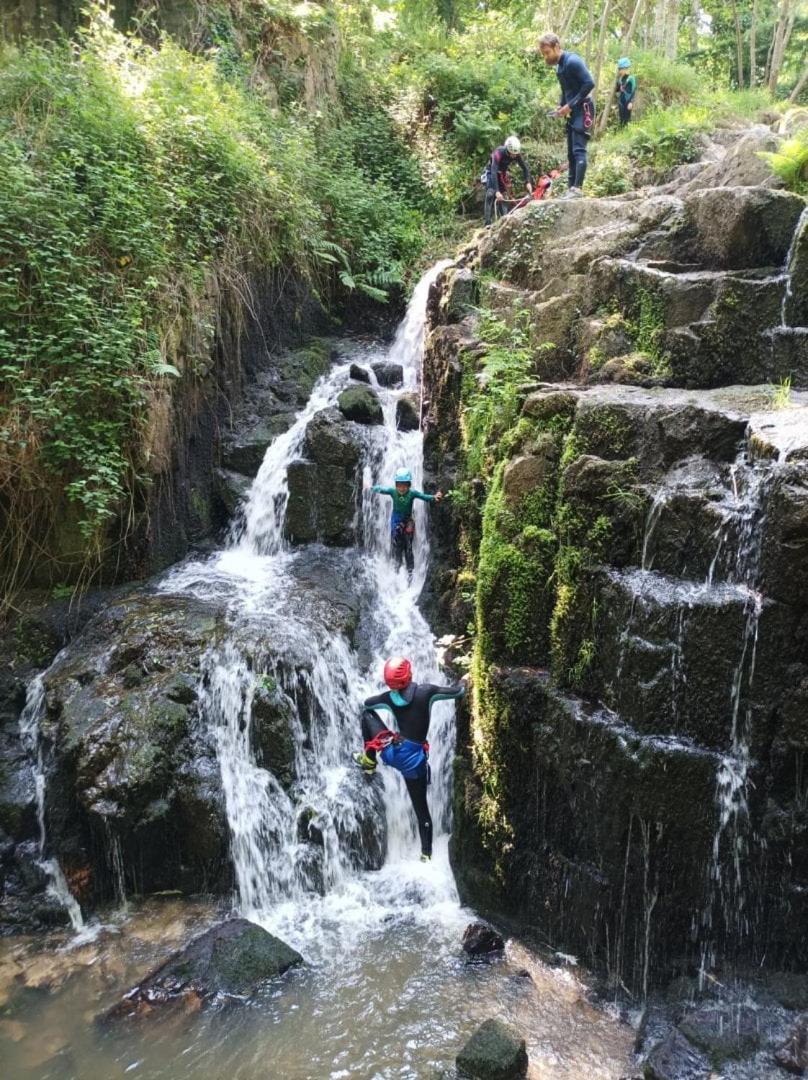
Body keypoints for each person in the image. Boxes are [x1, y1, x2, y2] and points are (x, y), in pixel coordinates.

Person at [352, 657, 467, 862]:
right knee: (421, 808)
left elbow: (367, 704)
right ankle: (426, 854)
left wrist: (387, 698)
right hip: (415, 764)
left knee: (367, 716)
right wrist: (465, 679)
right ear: (409, 675)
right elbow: (458, 691)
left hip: (393, 753)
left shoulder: (388, 698)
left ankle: (369, 762)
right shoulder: (427, 692)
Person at [538, 32, 595, 199]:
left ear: (557, 47)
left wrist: (569, 106)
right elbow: (566, 90)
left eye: (547, 53)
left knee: (579, 150)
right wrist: (561, 106)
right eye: (543, 54)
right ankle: (570, 190)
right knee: (570, 153)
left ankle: (577, 189)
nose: (545, 57)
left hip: (583, 108)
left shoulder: (572, 61)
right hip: (572, 111)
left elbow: (589, 84)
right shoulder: (559, 68)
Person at [369, 469, 443, 578]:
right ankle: (397, 567)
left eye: (405, 485)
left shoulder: (412, 493)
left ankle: (410, 571)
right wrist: (370, 487)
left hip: (408, 521)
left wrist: (434, 497)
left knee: (408, 546)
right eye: (399, 485)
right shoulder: (393, 491)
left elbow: (424, 497)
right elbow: (381, 489)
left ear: (409, 485)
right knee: (397, 544)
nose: (402, 488)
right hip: (396, 521)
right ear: (396, 485)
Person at [484, 135, 533, 226]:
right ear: (507, 149)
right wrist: (497, 191)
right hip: (491, 172)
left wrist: (528, 182)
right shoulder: (498, 152)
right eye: (512, 153)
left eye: (516, 154)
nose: (514, 156)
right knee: (491, 194)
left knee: (503, 197)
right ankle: (487, 223)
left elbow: (525, 168)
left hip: (502, 173)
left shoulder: (516, 154)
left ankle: (504, 220)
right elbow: (494, 171)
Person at [615, 58, 636, 127]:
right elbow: (617, 90)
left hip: (628, 102)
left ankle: (626, 132)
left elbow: (633, 91)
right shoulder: (620, 79)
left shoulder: (631, 79)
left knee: (627, 119)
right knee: (621, 118)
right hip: (621, 101)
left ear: (625, 69)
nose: (620, 71)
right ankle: (620, 132)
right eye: (619, 69)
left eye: (621, 69)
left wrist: (631, 102)